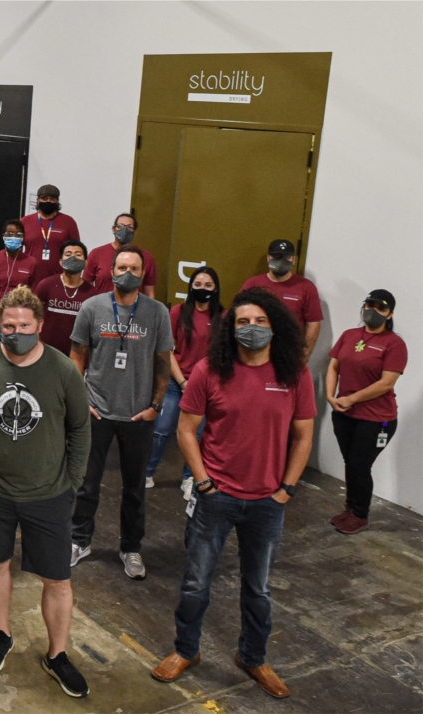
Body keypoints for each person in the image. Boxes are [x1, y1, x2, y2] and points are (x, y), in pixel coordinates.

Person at [151, 288, 315, 701]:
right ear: (231, 328)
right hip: (216, 497)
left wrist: (286, 490)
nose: (252, 328)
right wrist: (204, 482)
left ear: (274, 325)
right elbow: (186, 430)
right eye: (243, 322)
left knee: (257, 588)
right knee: (195, 583)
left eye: (260, 321)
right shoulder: (210, 370)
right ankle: (186, 651)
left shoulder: (294, 373)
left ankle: (253, 657)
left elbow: (303, 435)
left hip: (267, 502)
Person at [0, 285, 91, 698]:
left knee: (58, 580)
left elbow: (80, 429)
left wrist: (72, 482)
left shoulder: (64, 371)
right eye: (8, 325)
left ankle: (58, 654)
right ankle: (2, 634)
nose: (16, 332)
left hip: (48, 493)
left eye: (24, 326)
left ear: (40, 325)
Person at [69, 245, 173, 579]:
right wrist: (79, 400)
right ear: (111, 271)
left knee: (134, 489)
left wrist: (156, 406)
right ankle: (79, 540)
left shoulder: (157, 313)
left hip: (137, 415)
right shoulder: (92, 307)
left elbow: (162, 362)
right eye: (121, 267)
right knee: (87, 484)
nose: (127, 273)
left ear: (143, 274)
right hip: (96, 411)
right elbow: (77, 356)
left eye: (134, 268)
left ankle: (131, 548)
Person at [325, 290, 406, 534]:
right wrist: (331, 396)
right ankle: (350, 509)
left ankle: (360, 514)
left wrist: (351, 399)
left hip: (376, 419)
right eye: (370, 305)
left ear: (390, 314)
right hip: (344, 413)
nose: (373, 311)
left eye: (381, 308)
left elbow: (386, 383)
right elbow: (333, 366)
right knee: (351, 463)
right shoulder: (350, 335)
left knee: (360, 465)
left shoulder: (394, 344)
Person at [144, 267, 223, 490]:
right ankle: (147, 473)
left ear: (215, 288)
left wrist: (200, 383)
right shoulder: (178, 312)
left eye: (208, 285)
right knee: (161, 431)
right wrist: (182, 382)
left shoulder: (223, 317)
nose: (203, 289)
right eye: (198, 285)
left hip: (206, 387)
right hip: (175, 383)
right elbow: (167, 350)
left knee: (197, 436)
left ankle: (190, 478)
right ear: (190, 287)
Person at [241, 239, 323, 362]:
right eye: (276, 256)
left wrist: (303, 357)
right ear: (268, 258)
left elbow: (314, 324)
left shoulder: (306, 287)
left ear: (293, 259)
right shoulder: (252, 284)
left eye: (287, 257)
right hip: (254, 353)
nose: (281, 260)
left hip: (289, 355)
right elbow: (239, 316)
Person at [0, 219, 38, 345]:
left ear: (23, 237)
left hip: (20, 320)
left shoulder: (31, 262)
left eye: (18, 234)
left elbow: (33, 291)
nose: (13, 237)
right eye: (9, 234)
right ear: (3, 237)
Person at [34, 239, 93, 356]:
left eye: (78, 255)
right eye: (68, 255)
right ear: (61, 262)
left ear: (86, 262)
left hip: (76, 356)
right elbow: (32, 314)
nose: (73, 258)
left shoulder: (92, 293)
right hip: (44, 352)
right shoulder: (46, 285)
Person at [21, 185, 82, 286]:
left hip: (59, 281)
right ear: (38, 201)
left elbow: (76, 252)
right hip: (30, 281)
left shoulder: (68, 222)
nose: (48, 201)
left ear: (57, 202)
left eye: (52, 199)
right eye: (44, 198)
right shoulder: (25, 221)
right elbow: (17, 253)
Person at [84, 214, 157, 298]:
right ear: (114, 229)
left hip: (134, 309)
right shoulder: (96, 254)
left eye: (130, 227)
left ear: (135, 232)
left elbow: (149, 293)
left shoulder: (146, 258)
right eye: (120, 226)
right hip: (102, 308)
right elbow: (86, 288)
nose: (125, 230)